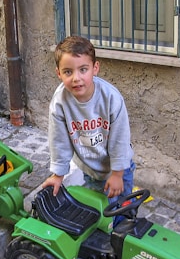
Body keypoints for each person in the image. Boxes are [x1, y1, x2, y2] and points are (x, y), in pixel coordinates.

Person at [41, 36, 135, 221]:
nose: (76, 78)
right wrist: (58, 175)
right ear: (58, 73)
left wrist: (117, 173)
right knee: (100, 215)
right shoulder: (60, 103)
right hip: (91, 170)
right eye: (68, 72)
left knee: (122, 211)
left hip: (119, 170)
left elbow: (120, 139)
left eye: (83, 70)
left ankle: (124, 239)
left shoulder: (111, 98)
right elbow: (59, 141)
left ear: (95, 68)